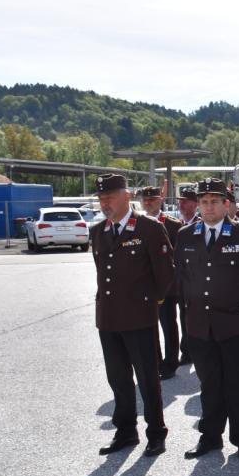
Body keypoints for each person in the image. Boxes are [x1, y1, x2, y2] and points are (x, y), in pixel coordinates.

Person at [175, 178, 239, 460]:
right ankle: (210, 436)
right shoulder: (186, 235)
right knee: (209, 383)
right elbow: (180, 275)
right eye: (203, 202)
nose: (208, 207)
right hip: (200, 323)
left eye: (214, 202)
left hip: (237, 323)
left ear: (226, 204)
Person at [89, 173, 174, 457]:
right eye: (101, 198)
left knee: (148, 379)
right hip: (108, 318)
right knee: (118, 378)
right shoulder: (98, 231)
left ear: (126, 196)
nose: (105, 203)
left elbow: (165, 274)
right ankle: (125, 431)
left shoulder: (149, 228)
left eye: (110, 197)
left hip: (139, 317)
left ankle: (156, 433)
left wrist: (149, 302)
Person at [140, 186, 184, 380]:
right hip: (145, 286)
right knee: (148, 326)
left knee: (168, 325)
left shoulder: (173, 225)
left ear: (160, 200)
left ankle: (170, 363)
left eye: (152, 199)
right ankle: (155, 362)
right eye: (145, 200)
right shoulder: (138, 224)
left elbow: (178, 256)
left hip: (167, 285)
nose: (148, 203)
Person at [175, 186, 200, 366]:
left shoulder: (200, 224)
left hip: (197, 281)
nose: (181, 205)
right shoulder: (178, 225)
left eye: (185, 201)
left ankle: (196, 350)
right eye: (180, 201)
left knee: (196, 318)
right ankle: (187, 351)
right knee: (183, 316)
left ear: (195, 204)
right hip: (182, 281)